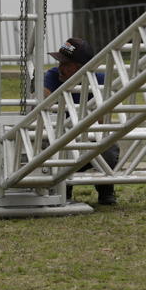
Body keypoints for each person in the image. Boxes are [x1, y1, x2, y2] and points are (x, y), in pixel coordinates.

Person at [45, 37, 119, 205]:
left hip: (89, 139)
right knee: (50, 144)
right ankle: (64, 188)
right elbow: (43, 102)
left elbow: (103, 121)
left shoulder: (100, 81)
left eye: (65, 63)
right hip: (60, 139)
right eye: (59, 62)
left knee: (109, 147)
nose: (59, 67)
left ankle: (105, 187)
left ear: (80, 68)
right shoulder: (52, 76)